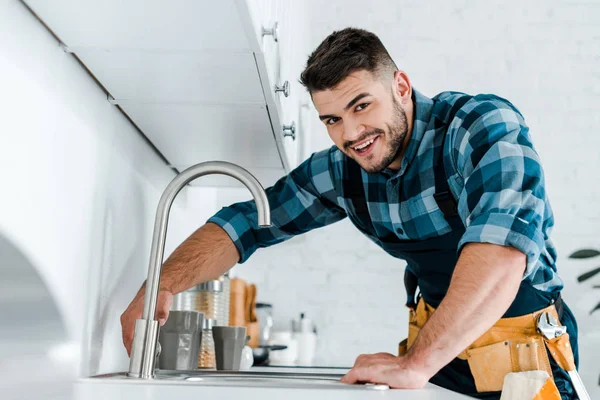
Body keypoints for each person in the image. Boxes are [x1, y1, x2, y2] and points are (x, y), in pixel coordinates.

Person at [120, 28, 579, 399]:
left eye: (361, 106)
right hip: (440, 362)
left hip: (525, 365)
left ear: (400, 86)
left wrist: (415, 364)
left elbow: (501, 255)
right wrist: (161, 285)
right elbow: (248, 223)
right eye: (332, 119)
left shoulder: (478, 126)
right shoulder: (343, 172)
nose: (352, 133)